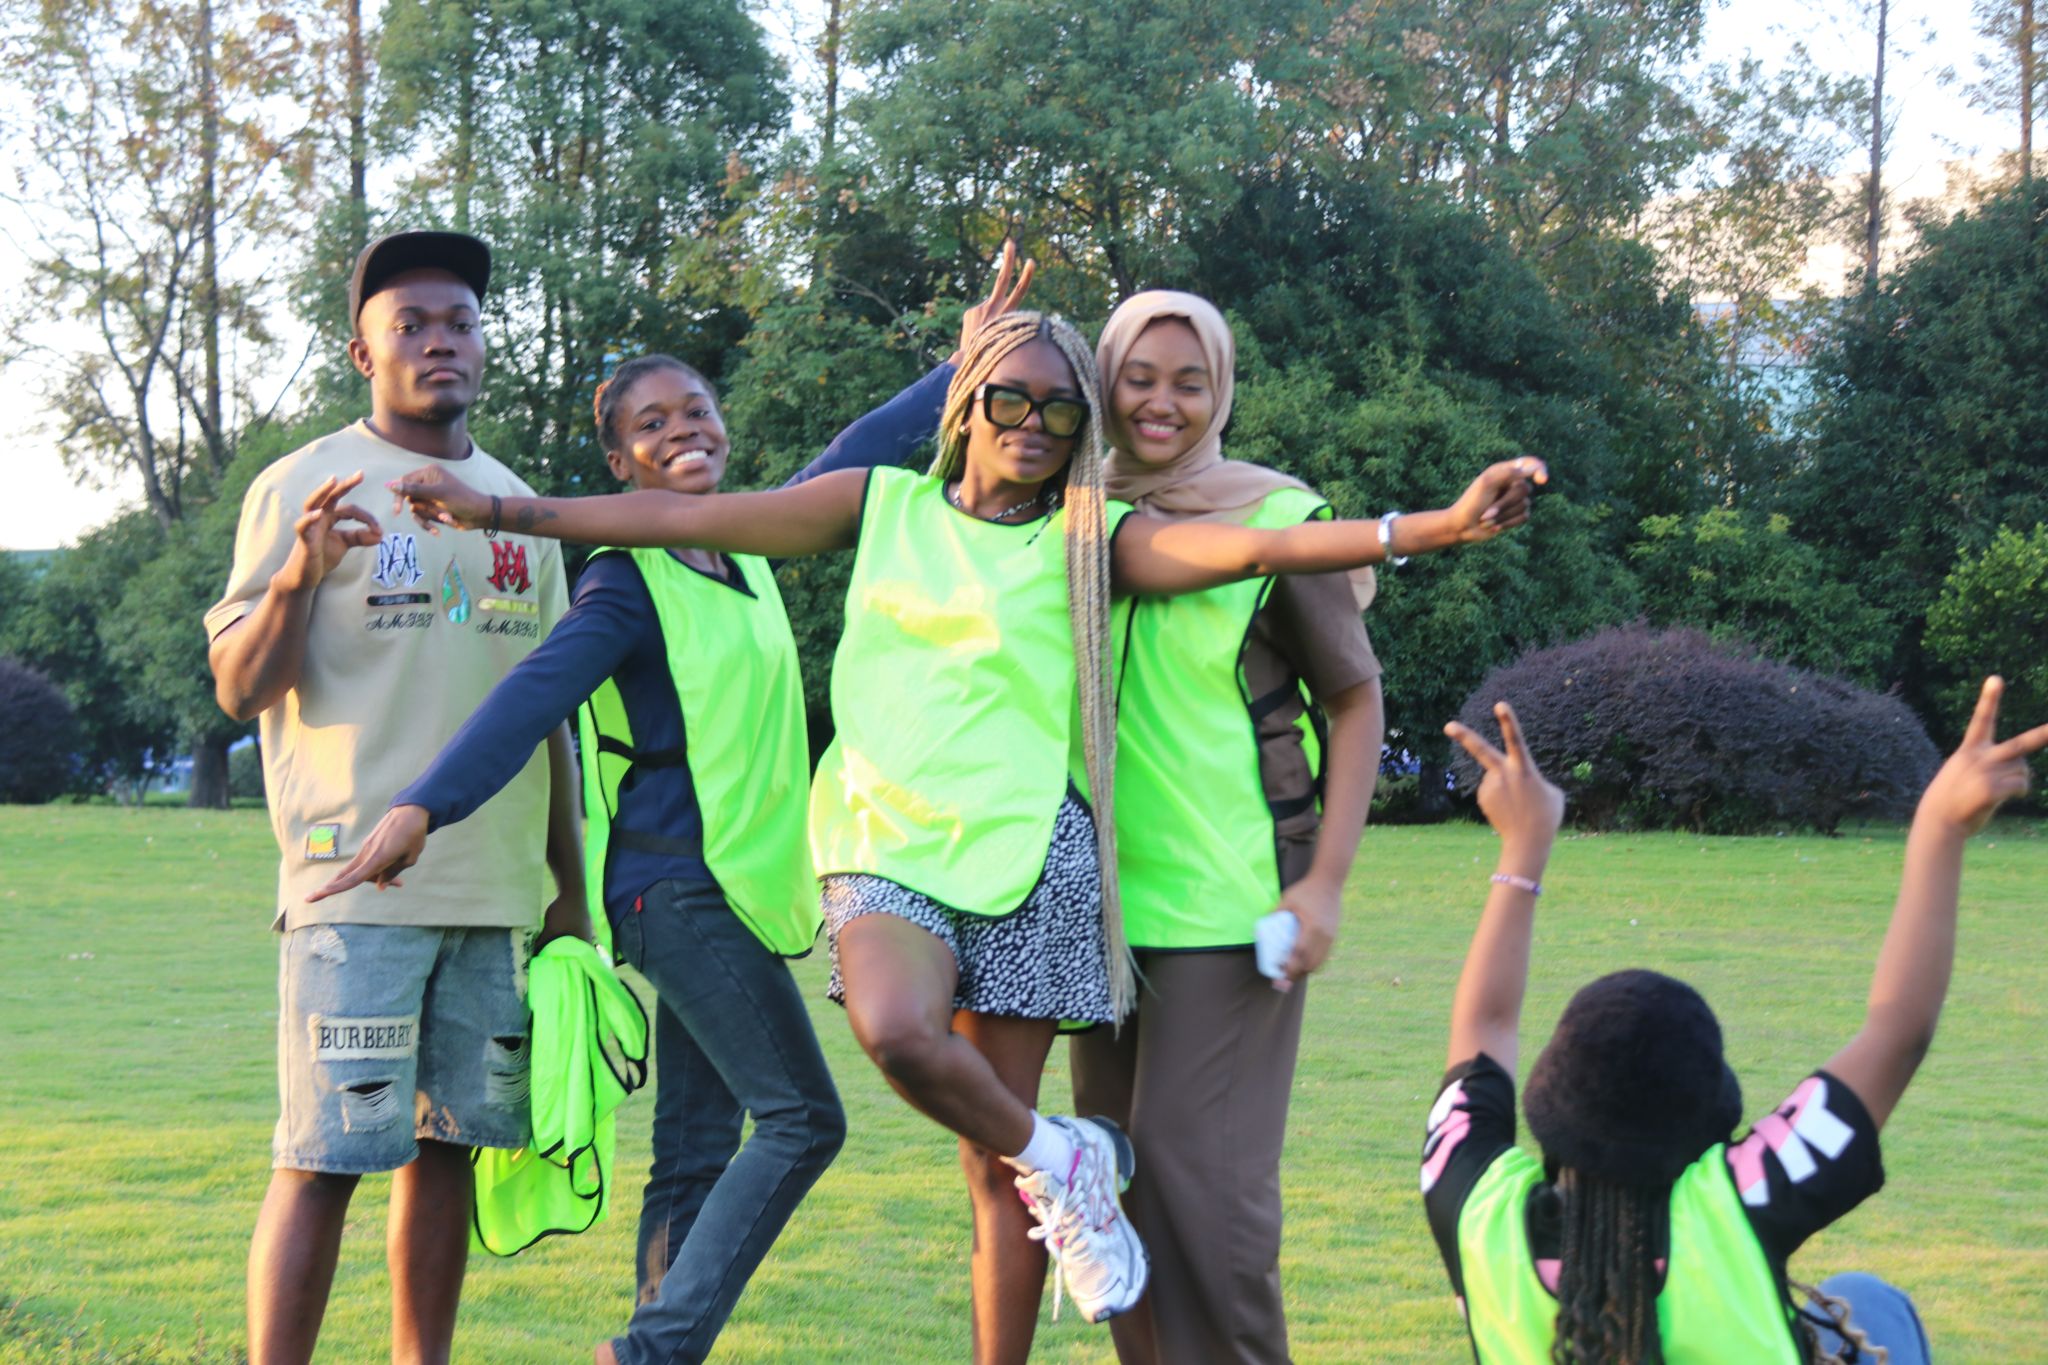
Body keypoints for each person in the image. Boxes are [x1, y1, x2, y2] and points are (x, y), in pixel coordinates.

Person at [385, 308, 1543, 1362]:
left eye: (1059, 410)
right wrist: (499, 512)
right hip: (885, 844)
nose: (1032, 425)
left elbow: (1245, 551)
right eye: (1009, 399)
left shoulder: (1089, 536)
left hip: (1029, 858)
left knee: (995, 1178)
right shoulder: (878, 503)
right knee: (897, 1031)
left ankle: (1034, 1214)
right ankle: (1066, 1155)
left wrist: (1426, 529)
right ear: (966, 404)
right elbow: (677, 515)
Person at [308, 269, 1021, 1365]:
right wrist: (422, 806)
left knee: (695, 1150)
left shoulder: (750, 546)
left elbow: (867, 443)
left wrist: (964, 363)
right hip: (671, 892)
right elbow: (531, 697)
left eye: (695, 410)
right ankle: (643, 1354)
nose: (681, 430)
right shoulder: (625, 581)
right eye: (651, 424)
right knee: (804, 1119)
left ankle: (652, 1347)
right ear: (621, 465)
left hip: (733, 889)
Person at [205, 230, 590, 1365]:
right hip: (352, 886)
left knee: (450, 1150)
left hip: (495, 893)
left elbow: (548, 713)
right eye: (410, 323)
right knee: (323, 1156)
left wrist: (568, 892)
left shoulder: (517, 505)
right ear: (363, 352)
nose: (439, 340)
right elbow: (238, 689)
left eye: (460, 321)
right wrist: (297, 575)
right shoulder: (302, 483)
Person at [1423, 680, 2047, 1363]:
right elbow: (1900, 1029)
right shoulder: (1733, 1209)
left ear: (1549, 1109)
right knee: (1870, 1304)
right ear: (1711, 1125)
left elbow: (1484, 1029)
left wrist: (1523, 848)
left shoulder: (1479, 1214)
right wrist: (1940, 826)